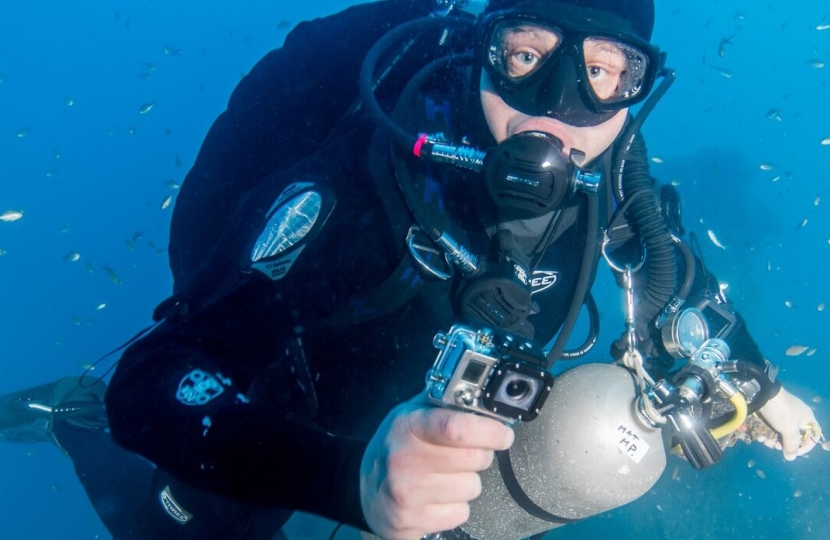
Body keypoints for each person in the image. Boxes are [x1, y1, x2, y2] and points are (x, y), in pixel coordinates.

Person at [1, 0, 823, 539]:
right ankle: (71, 423)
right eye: (527, 55)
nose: (557, 102)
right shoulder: (367, 172)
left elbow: (672, 277)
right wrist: (343, 480)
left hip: (420, 428)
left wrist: (752, 378)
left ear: (638, 89)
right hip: (287, 407)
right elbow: (150, 380)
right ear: (482, 51)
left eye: (604, 72)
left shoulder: (614, 178)